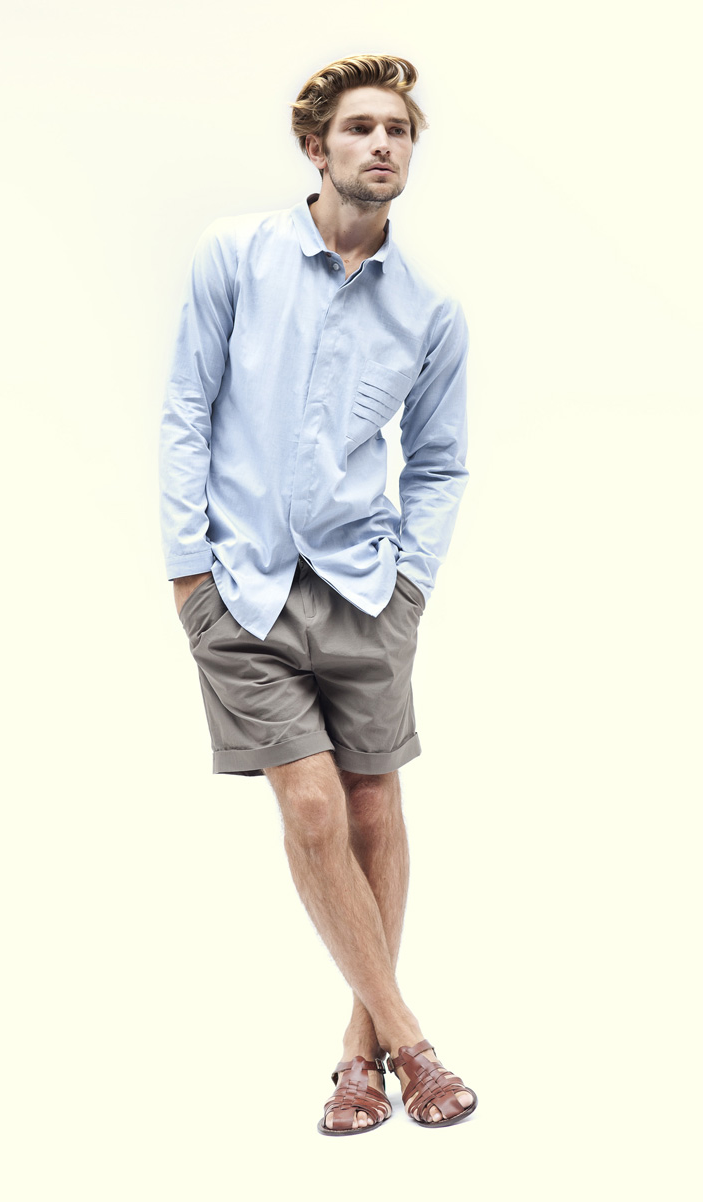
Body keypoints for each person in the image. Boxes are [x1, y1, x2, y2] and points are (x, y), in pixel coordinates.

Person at [159, 53, 477, 1135]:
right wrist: (186, 569)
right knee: (310, 806)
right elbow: (185, 407)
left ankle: (355, 1054)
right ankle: (412, 1043)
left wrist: (411, 583)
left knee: (375, 808)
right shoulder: (234, 256)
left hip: (364, 589)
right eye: (359, 127)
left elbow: (438, 463)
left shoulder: (429, 311)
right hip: (239, 586)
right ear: (315, 146)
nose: (381, 144)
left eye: (398, 130)